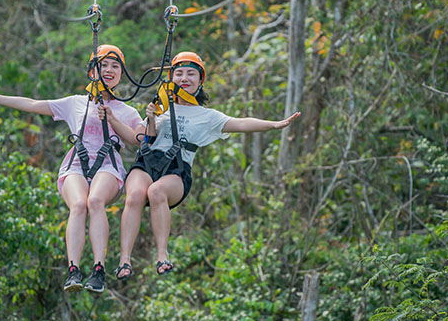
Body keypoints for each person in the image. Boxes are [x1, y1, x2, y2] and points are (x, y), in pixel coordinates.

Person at [102, 51, 301, 279]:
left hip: (176, 170)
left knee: (157, 192)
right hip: (148, 162)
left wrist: (275, 125)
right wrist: (150, 119)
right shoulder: (161, 106)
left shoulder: (208, 117)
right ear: (171, 78)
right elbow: (143, 139)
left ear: (200, 80)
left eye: (190, 74)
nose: (184, 78)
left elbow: (242, 123)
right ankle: (124, 260)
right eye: (179, 74)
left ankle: (162, 255)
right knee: (135, 194)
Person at [0, 44, 143, 293]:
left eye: (115, 66)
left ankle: (98, 269)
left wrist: (115, 118)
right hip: (77, 163)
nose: (109, 70)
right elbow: (32, 103)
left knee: (95, 201)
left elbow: (140, 138)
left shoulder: (126, 110)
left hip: (107, 164)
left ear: (122, 74)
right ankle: (73, 269)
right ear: (92, 71)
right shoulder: (75, 103)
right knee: (79, 204)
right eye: (103, 65)